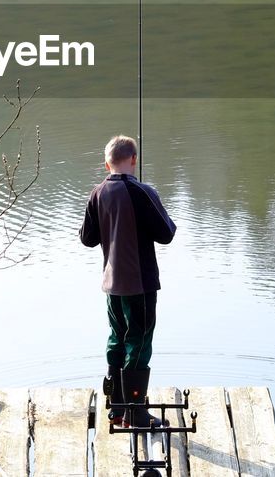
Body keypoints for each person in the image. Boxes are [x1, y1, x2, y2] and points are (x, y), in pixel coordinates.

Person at [80, 134, 177, 429]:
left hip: (112, 285)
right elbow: (167, 233)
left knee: (117, 338)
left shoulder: (97, 193)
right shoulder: (143, 192)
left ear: (106, 163)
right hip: (141, 284)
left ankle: (117, 409)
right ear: (134, 159)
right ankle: (136, 412)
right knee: (139, 342)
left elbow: (87, 239)